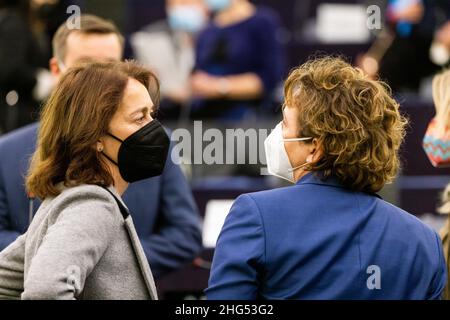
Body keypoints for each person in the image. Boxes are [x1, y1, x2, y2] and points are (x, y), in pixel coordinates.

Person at [206, 57, 447, 300]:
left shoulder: (255, 214)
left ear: (315, 148)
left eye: (286, 123)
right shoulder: (425, 242)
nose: (277, 132)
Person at [0, 15, 202, 280]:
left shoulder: (154, 142)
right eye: (85, 68)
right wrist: (65, 259)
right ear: (56, 69)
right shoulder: (7, 152)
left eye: (109, 68)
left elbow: (184, 234)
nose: (99, 80)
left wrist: (110, 263)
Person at [0, 60, 164, 299]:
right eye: (139, 118)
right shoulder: (94, 203)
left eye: (152, 114)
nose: (154, 127)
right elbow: (45, 292)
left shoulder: (66, 198)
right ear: (95, 136)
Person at [190, 0, 285, 121]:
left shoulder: (262, 22)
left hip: (249, 118)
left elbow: (270, 78)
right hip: (207, 119)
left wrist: (220, 86)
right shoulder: (207, 30)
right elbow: (199, 73)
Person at [131, 0, 208, 120]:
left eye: (190, 3)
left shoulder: (218, 35)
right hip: (165, 114)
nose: (185, 9)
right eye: (181, 3)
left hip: (213, 116)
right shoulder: (147, 38)